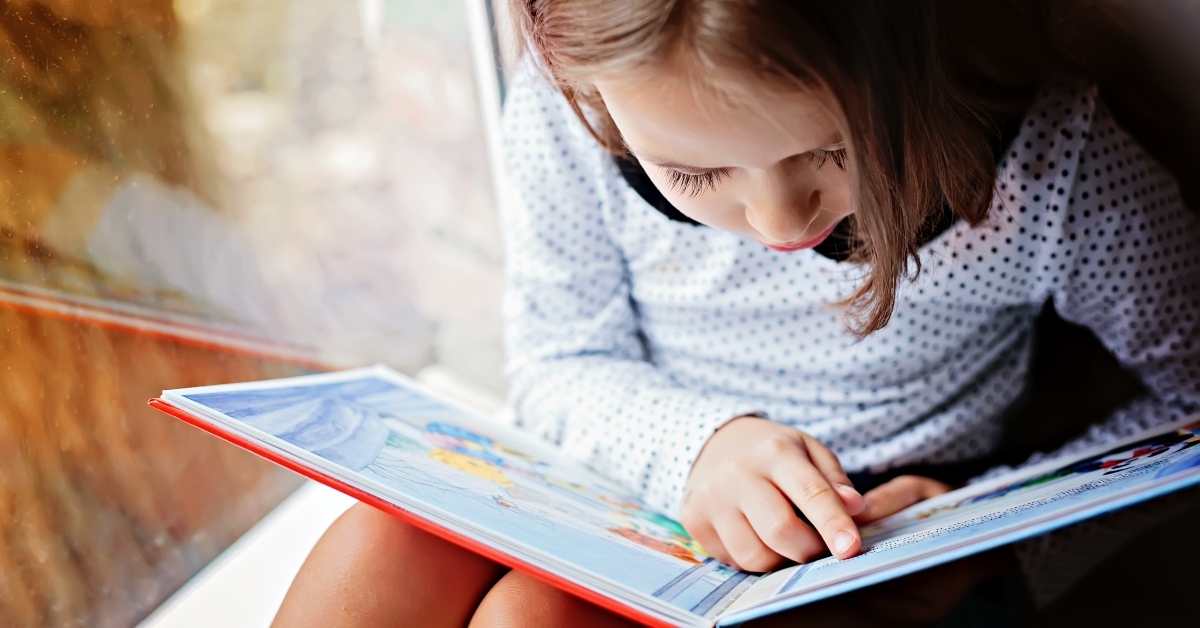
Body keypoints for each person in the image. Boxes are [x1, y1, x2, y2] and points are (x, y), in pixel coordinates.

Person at [273, 0, 1200, 625]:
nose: (777, 220)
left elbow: (1191, 408)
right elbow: (556, 363)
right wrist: (700, 448)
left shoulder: (1053, 172)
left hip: (878, 555)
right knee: (384, 540)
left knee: (532, 618)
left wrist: (991, 532)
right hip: (638, 489)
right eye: (697, 175)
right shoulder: (569, 117)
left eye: (836, 151)